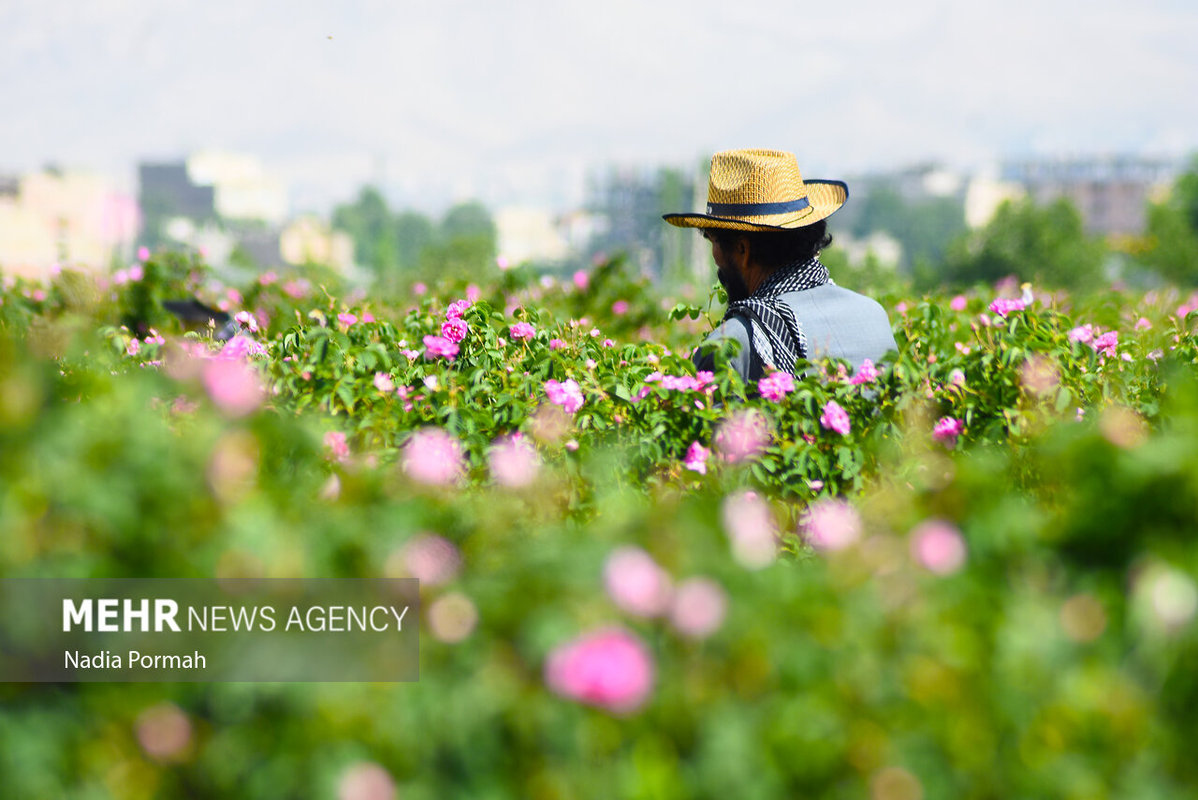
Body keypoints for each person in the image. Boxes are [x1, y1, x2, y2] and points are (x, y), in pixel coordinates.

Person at [663, 148, 897, 385]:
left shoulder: (730, 345)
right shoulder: (874, 315)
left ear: (743, 250)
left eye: (714, 242)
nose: (715, 258)